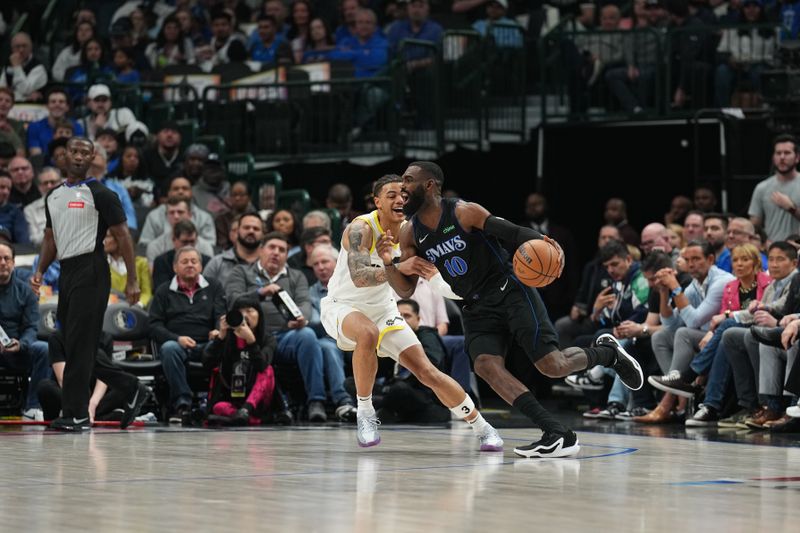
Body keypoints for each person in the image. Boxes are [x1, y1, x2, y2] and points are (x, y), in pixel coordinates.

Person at [383, 162, 644, 458]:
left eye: (408, 180)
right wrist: (392, 264)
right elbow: (405, 289)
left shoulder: (463, 211)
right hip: (474, 305)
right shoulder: (409, 233)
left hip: (508, 290)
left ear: (430, 185)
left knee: (552, 365)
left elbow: (515, 232)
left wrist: (548, 246)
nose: (402, 187)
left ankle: (608, 354)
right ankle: (556, 432)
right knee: (484, 365)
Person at [320, 174, 504, 450]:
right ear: (377, 202)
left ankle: (483, 427)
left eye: (403, 195)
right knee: (367, 333)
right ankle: (366, 412)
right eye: (391, 195)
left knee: (426, 370)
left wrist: (470, 293)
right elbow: (359, 276)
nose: (399, 200)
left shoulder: (413, 233)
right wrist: (396, 269)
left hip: (382, 309)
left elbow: (435, 278)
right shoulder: (361, 228)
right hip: (342, 306)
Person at [32, 137, 140, 431]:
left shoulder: (101, 193)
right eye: (74, 151)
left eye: (85, 153)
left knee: (79, 345)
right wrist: (40, 270)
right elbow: (51, 238)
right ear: (63, 155)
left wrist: (132, 279)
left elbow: (123, 236)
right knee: (72, 344)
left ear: (93, 157)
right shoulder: (52, 196)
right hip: (66, 270)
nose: (79, 157)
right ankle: (129, 385)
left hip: (92, 268)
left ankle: (77, 413)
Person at [203, 294, 278, 426]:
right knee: (219, 407)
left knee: (268, 369)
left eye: (249, 311)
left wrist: (251, 341)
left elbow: (261, 365)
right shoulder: (226, 338)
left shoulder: (267, 339)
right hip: (232, 397)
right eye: (240, 312)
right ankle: (249, 419)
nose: (244, 316)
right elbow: (208, 364)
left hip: (257, 400)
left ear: (259, 315)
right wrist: (220, 338)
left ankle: (245, 412)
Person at [0, 241, 51, 421]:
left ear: (13, 263)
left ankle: (32, 407)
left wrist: (21, 344)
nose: (3, 263)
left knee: (44, 349)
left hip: (16, 348)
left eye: (7, 258)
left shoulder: (25, 291)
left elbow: (31, 327)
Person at [105, 229, 152, 307]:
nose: (104, 241)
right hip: (109, 310)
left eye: (108, 237)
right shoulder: (103, 263)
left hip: (135, 310)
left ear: (120, 239)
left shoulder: (141, 263)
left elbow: (146, 293)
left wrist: (138, 305)